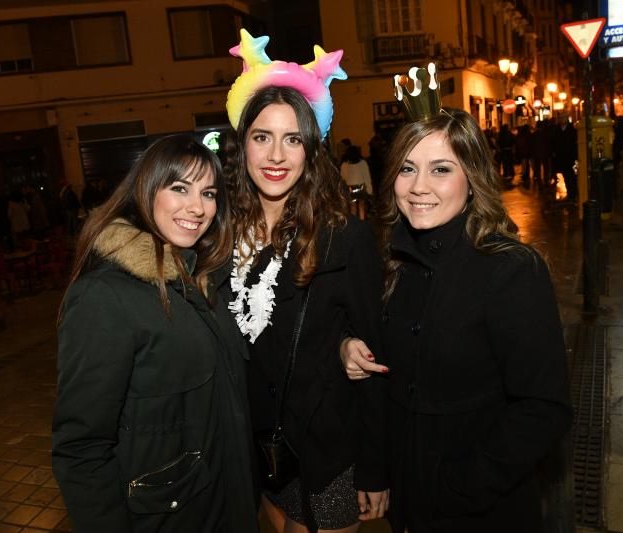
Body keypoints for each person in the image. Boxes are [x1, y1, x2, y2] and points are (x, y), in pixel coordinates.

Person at [341, 108, 572, 532]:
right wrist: (348, 345)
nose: (419, 187)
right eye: (407, 169)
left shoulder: (511, 269)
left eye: (441, 169)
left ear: (472, 181)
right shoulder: (393, 261)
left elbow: (544, 407)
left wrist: (460, 486)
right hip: (408, 503)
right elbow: (385, 375)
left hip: (482, 511)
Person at [52, 135, 258, 532]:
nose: (197, 208)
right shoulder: (105, 296)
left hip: (227, 508)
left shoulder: (202, 280)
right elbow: (81, 449)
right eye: (179, 188)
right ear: (145, 191)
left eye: (209, 193)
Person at [225, 84, 388, 533]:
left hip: (326, 455)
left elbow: (377, 356)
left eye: (292, 139)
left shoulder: (344, 238)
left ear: (310, 152)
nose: (276, 154)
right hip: (258, 453)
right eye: (262, 137)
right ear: (242, 147)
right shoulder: (221, 237)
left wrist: (375, 465)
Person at [340, 145, 373, 220]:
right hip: (361, 187)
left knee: (353, 208)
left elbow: (342, 178)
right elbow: (367, 177)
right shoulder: (363, 163)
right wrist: (370, 190)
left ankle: (355, 225)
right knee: (362, 206)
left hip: (350, 188)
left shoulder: (345, 164)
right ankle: (362, 222)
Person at [551, 114, 578, 203]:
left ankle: (573, 194)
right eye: (561, 118)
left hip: (571, 157)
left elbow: (574, 143)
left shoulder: (572, 130)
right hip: (561, 157)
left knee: (572, 176)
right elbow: (554, 142)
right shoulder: (556, 130)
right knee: (566, 176)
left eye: (564, 118)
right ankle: (570, 194)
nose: (562, 120)